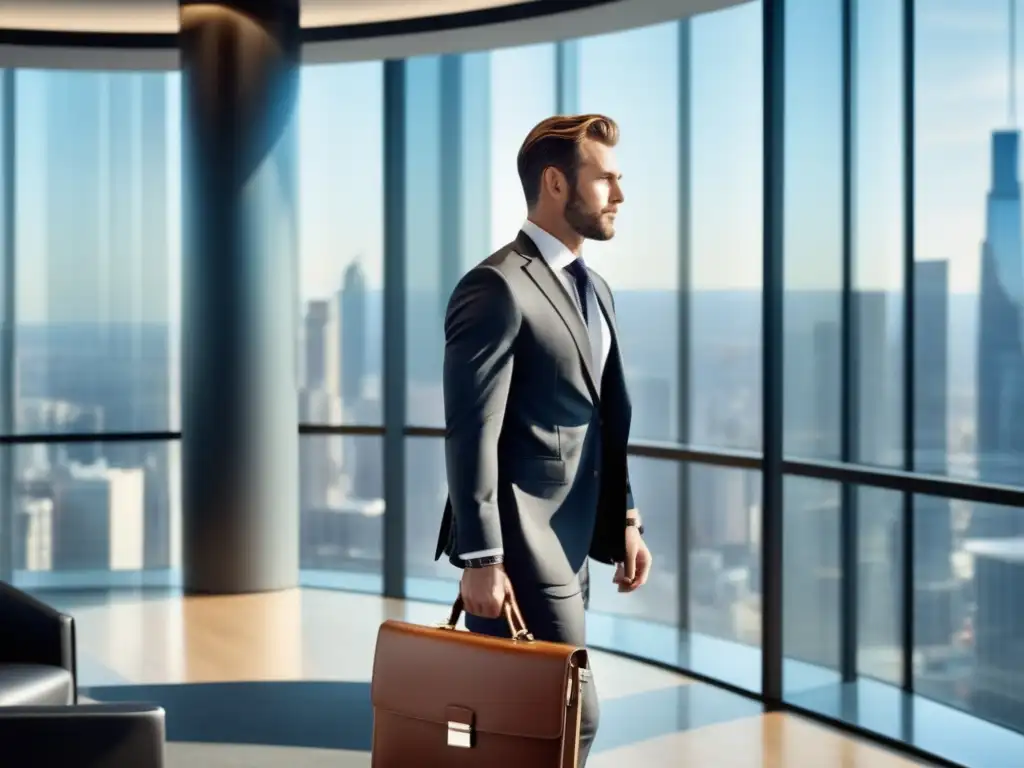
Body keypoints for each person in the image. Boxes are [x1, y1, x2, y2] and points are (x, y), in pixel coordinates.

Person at [433, 113, 653, 764]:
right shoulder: (496, 286)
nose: (619, 195)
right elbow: (472, 428)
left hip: (577, 540)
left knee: (527, 723)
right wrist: (481, 559)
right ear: (556, 183)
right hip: (520, 545)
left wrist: (627, 517)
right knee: (569, 716)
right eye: (605, 180)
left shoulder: (598, 289)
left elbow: (600, 417)